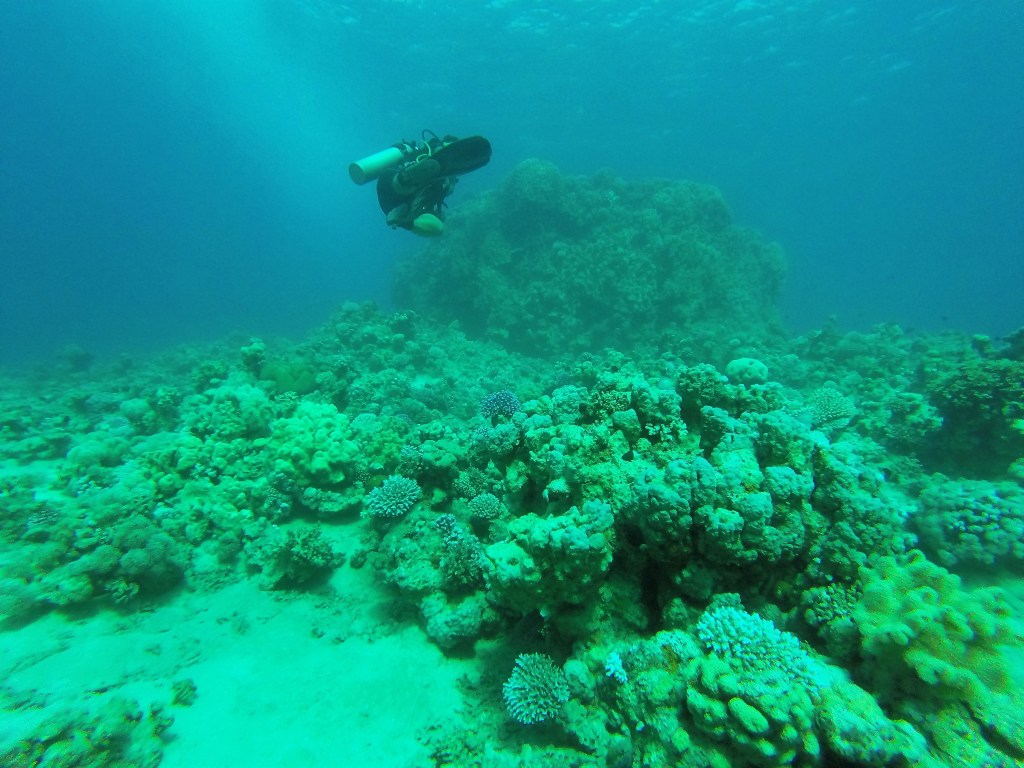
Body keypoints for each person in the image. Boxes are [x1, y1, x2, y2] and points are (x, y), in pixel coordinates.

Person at [349, 131, 492, 236]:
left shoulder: (445, 181)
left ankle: (408, 216)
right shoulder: (424, 154)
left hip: (397, 208)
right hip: (394, 185)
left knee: (439, 228)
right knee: (410, 185)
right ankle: (407, 179)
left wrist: (406, 222)